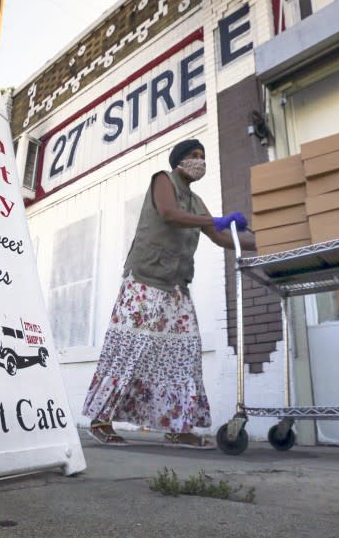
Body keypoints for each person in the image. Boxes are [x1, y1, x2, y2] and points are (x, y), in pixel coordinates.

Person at [81, 138, 256, 448]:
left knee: (184, 354)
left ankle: (179, 424)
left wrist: (268, 236)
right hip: (145, 280)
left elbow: (220, 238)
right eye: (193, 155)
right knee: (129, 348)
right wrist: (214, 220)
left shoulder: (198, 202)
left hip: (176, 286)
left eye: (203, 156)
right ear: (179, 160)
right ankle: (100, 419)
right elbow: (168, 213)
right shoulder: (163, 180)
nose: (199, 161)